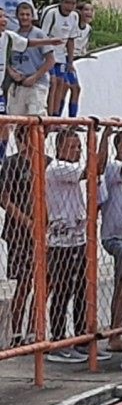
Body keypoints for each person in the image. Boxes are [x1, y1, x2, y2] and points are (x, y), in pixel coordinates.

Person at [43, 128, 91, 362]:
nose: (77, 151)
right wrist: (103, 138)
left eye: (80, 147)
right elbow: (93, 169)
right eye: (73, 147)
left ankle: (81, 338)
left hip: (78, 238)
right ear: (60, 148)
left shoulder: (70, 170)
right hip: (61, 242)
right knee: (62, 291)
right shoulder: (57, 168)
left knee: (81, 288)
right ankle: (58, 339)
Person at [0, 139, 38, 345]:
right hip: (19, 232)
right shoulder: (13, 163)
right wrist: (27, 221)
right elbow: (4, 198)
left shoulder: (45, 161)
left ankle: (34, 329)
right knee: (23, 283)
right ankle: (16, 333)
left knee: (43, 282)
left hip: (43, 231)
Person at [100, 131, 122, 332]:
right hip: (114, 235)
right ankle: (115, 329)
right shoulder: (114, 168)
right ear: (120, 146)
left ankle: (118, 328)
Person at [5, 0, 58, 120]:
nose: (24, 17)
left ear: (32, 16)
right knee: (16, 121)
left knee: (35, 120)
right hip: (18, 84)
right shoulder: (12, 35)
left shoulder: (39, 34)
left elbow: (50, 60)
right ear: (17, 16)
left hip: (36, 83)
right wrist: (12, 72)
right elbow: (6, 58)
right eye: (22, 14)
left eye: (27, 15)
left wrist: (34, 77)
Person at [36, 0, 83, 118]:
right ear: (61, 2)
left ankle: (57, 115)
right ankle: (49, 115)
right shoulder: (51, 13)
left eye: (73, 3)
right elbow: (42, 35)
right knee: (53, 82)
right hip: (47, 53)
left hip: (61, 55)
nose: (69, 6)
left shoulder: (74, 17)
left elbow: (71, 39)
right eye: (67, 3)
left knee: (63, 83)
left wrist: (70, 61)